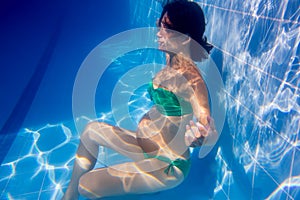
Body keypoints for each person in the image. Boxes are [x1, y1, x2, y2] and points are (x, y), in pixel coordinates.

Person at [62, 1, 218, 199]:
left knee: (87, 186)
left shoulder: (192, 80)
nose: (159, 33)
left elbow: (205, 120)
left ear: (185, 38)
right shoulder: (172, 60)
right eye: (159, 25)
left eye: (167, 29)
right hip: (147, 144)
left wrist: (202, 135)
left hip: (167, 163)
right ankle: (68, 197)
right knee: (91, 131)